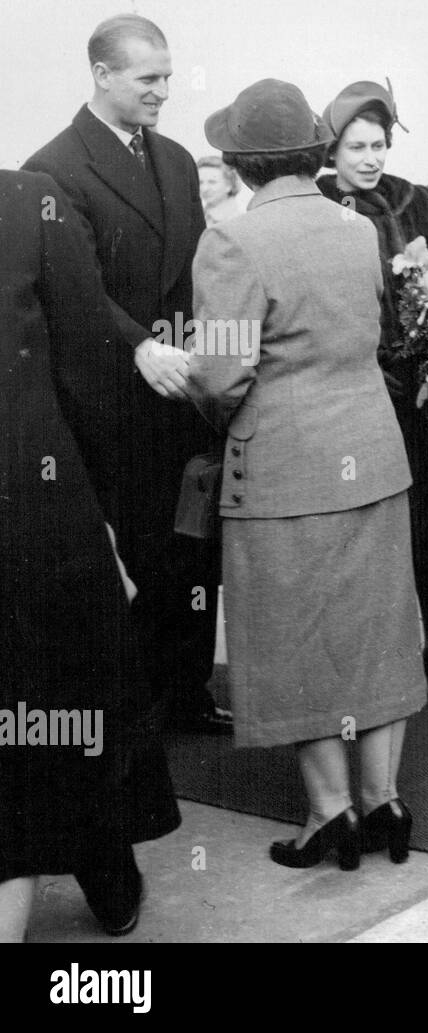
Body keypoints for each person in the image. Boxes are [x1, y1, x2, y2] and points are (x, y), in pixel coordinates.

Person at [189, 79, 427, 869]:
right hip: (372, 451)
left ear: (241, 160)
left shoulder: (232, 241)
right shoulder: (356, 228)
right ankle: (384, 799)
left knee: (292, 637)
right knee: (378, 629)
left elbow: (223, 375)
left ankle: (329, 813)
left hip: (283, 465)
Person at [23, 14, 228, 735]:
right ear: (103, 75)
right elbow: (75, 292)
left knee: (193, 551)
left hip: (186, 391)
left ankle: (189, 689)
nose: (164, 91)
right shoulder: (53, 168)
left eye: (168, 76)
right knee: (143, 550)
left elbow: (200, 265)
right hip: (117, 398)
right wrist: (144, 346)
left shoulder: (173, 159)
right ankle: (135, 709)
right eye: (149, 79)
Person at [1, 170, 181, 940]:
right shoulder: (28, 203)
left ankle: (96, 861)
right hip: (40, 500)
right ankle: (102, 863)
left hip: (40, 504)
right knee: (67, 686)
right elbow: (87, 366)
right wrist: (103, 516)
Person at [317, 81, 428, 701]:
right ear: (331, 150)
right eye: (355, 146)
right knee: (370, 531)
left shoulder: (424, 202)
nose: (369, 158)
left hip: (423, 391)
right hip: (358, 389)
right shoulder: (320, 209)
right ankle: (379, 658)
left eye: (379, 144)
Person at [196, 155, 246, 226]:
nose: (204, 189)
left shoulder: (236, 220)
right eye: (200, 182)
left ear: (229, 185)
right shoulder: (201, 215)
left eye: (212, 182)